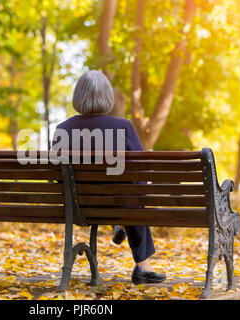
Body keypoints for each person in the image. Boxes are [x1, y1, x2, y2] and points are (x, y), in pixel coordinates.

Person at [51, 70, 166, 284]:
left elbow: (58, 179)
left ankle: (123, 227)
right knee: (134, 196)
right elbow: (141, 171)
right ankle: (140, 261)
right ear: (107, 97)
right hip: (118, 205)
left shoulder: (62, 130)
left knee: (131, 197)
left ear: (78, 97)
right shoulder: (124, 127)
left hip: (77, 208)